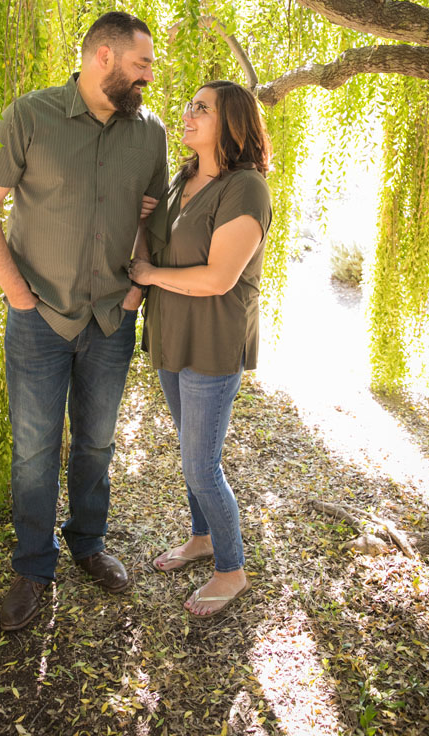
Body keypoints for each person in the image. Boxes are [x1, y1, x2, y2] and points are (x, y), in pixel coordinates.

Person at [0, 12, 167, 631]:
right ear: (102, 57)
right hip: (39, 318)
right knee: (34, 450)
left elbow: (151, 224)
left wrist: (133, 292)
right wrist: (19, 297)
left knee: (98, 441)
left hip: (110, 319)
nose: (149, 77)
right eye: (141, 64)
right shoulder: (29, 116)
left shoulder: (149, 134)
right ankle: (32, 567)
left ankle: (88, 543)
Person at [129, 80, 271, 620]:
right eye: (188, 103)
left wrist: (148, 273)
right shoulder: (182, 179)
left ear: (231, 123)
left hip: (212, 339)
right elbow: (155, 251)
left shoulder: (246, 188)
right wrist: (145, 224)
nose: (188, 113)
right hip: (171, 334)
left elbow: (217, 278)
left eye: (202, 108)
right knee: (191, 454)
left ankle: (231, 569)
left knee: (200, 463)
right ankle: (202, 537)